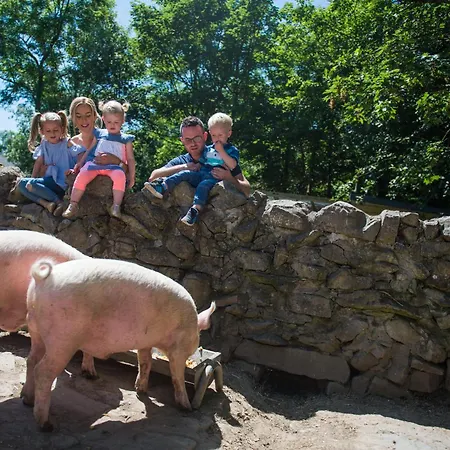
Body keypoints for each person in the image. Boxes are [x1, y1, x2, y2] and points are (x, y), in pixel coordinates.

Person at [144, 114, 250, 226]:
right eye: (188, 140)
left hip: (217, 220)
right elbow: (153, 177)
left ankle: (195, 210)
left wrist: (228, 177)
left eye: (197, 138)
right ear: (182, 140)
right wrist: (184, 167)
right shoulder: (182, 161)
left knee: (203, 185)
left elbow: (247, 190)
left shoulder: (224, 156)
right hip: (178, 222)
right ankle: (163, 187)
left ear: (205, 136)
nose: (193, 143)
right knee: (184, 174)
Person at [62, 100, 136, 219]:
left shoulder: (125, 139)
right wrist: (80, 163)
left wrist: (132, 176)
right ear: (103, 119)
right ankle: (73, 204)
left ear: (123, 120)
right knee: (83, 174)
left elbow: (131, 159)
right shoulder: (100, 134)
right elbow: (90, 150)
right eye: (109, 122)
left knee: (120, 177)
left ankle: (116, 206)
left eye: (116, 122)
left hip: (114, 168)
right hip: (95, 164)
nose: (112, 125)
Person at [17, 111, 86, 216]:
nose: (52, 134)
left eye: (55, 130)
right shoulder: (44, 145)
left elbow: (81, 152)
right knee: (22, 184)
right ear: (42, 132)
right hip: (49, 182)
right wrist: (33, 179)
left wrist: (76, 168)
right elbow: (38, 163)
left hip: (62, 183)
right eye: (48, 131)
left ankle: (58, 202)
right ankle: (47, 204)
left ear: (61, 129)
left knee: (31, 184)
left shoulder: (66, 142)